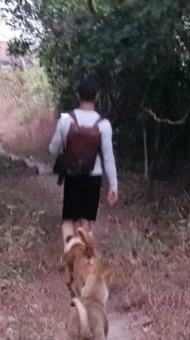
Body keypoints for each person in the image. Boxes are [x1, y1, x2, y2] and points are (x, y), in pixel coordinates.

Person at [48, 77, 118, 248]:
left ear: (78, 96)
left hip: (73, 175)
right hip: (93, 177)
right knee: (85, 220)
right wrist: (114, 185)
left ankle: (70, 252)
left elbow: (52, 149)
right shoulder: (104, 125)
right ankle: (85, 256)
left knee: (68, 218)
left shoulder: (66, 120)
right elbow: (108, 158)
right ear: (97, 97)